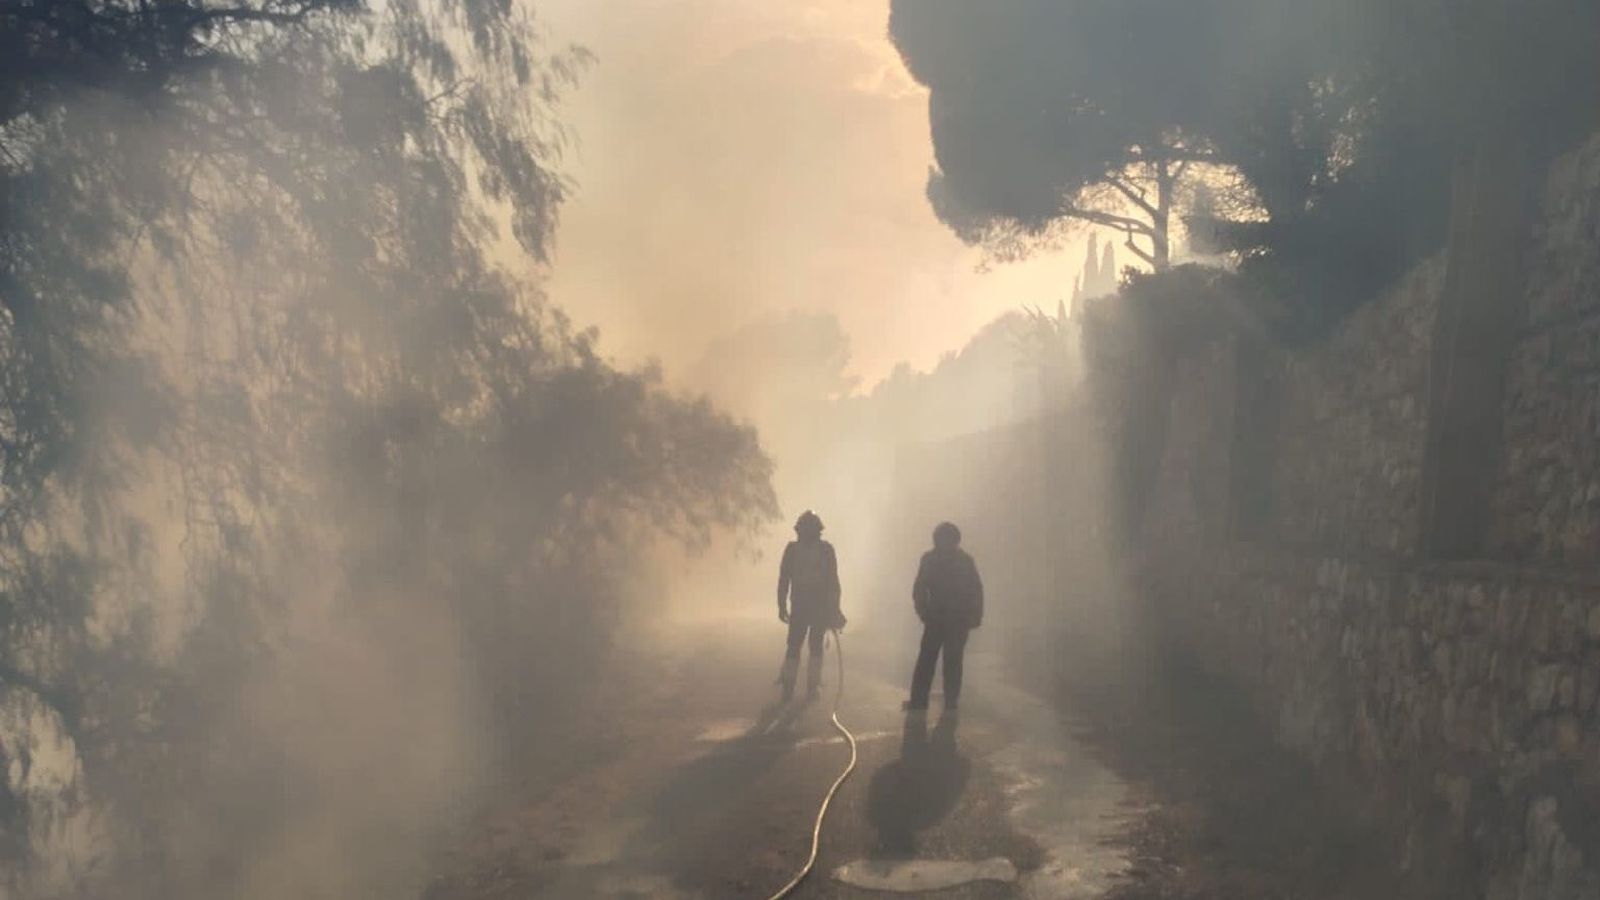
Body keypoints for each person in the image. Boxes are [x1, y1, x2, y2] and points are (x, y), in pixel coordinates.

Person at [906, 521, 983, 712]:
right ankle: (919, 699)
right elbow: (920, 589)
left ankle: (949, 701)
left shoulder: (963, 561)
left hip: (956, 619)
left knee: (951, 661)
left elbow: (976, 590)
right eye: (942, 539)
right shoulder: (932, 560)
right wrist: (923, 611)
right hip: (937, 618)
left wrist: (975, 615)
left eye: (947, 539)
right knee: (928, 660)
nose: (945, 543)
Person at [776, 510, 843, 701]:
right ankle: (800, 687)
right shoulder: (817, 550)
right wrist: (781, 604)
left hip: (810, 605)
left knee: (804, 646)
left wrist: (834, 608)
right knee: (803, 645)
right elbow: (784, 580)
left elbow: (832, 582)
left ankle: (801, 687)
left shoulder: (821, 551)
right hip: (807, 605)